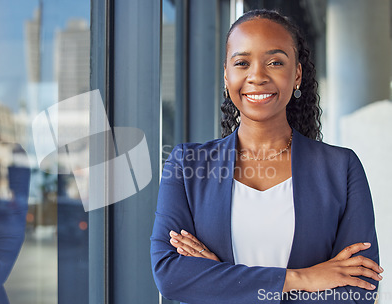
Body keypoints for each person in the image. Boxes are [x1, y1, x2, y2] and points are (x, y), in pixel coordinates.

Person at [150, 9, 382, 304]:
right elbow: (170, 275)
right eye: (242, 63)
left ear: (296, 74)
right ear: (226, 74)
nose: (257, 76)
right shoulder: (186, 165)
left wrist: (222, 279)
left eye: (275, 62)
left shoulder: (341, 168)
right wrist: (303, 278)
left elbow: (357, 290)